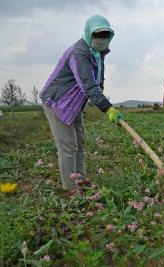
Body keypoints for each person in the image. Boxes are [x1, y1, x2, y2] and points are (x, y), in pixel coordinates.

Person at [40, 15, 125, 195]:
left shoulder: (98, 53)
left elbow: (98, 80)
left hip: (73, 103)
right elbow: (88, 84)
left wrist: (101, 99)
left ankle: (80, 177)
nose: (101, 39)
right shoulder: (79, 52)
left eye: (105, 35)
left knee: (79, 140)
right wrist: (107, 107)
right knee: (68, 145)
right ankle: (70, 187)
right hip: (57, 101)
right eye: (98, 35)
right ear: (89, 33)